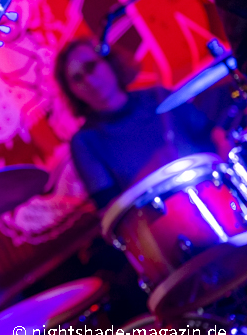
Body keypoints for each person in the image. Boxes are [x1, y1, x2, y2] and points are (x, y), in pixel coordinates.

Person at [54, 37, 219, 209]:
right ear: (72, 91)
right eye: (77, 78)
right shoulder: (85, 142)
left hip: (214, 193)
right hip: (162, 219)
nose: (89, 80)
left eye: (91, 67)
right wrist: (153, 170)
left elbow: (215, 136)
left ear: (108, 61)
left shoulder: (158, 97)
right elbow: (109, 210)